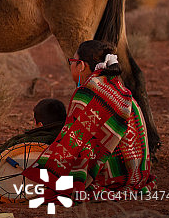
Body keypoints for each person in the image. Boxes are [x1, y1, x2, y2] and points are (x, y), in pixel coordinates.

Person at [23, 40, 156, 198]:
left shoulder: (89, 92)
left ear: (81, 65)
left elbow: (74, 141)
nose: (71, 66)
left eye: (73, 62)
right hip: (138, 174)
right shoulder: (117, 87)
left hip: (114, 179)